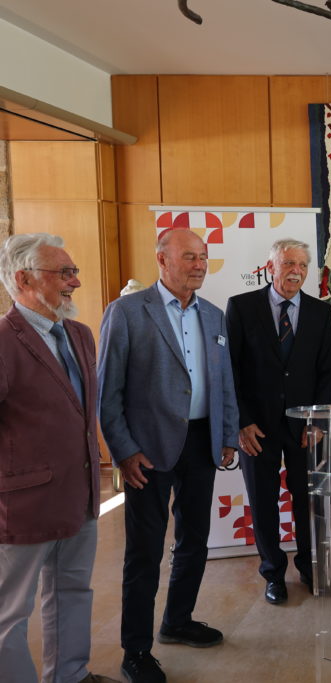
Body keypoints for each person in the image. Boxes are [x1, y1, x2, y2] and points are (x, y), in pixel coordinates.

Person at [98, 228, 239, 683]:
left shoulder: (215, 316)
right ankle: (135, 650)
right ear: (162, 259)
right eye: (189, 257)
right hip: (148, 451)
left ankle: (177, 620)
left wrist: (228, 434)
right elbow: (108, 393)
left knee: (195, 540)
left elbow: (225, 383)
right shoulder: (126, 312)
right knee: (143, 553)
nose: (199, 265)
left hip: (201, 444)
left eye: (203, 257)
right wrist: (123, 450)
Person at [0, 234, 115, 683]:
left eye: (74, 271)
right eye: (64, 273)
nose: (76, 282)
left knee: (72, 593)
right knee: (12, 612)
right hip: (23, 504)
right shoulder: (5, 341)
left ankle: (69, 675)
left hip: (81, 496)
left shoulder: (80, 335)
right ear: (24, 279)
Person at [226, 239, 331, 604]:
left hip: (305, 427)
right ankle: (273, 573)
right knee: (263, 501)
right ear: (270, 266)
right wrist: (241, 421)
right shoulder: (242, 307)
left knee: (306, 500)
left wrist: (317, 420)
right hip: (257, 428)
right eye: (289, 263)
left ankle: (308, 566)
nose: (296, 271)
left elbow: (327, 372)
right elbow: (232, 371)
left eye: (303, 265)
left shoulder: (321, 312)